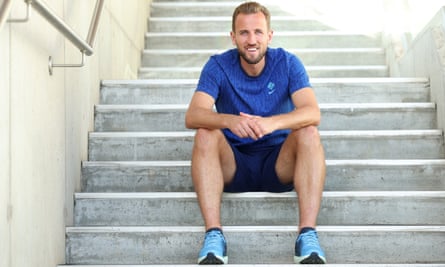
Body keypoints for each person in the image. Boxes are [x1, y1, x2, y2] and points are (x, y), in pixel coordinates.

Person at [185, 1, 326, 264]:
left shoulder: (287, 62)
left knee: (309, 133)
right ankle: (214, 236)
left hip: (278, 164)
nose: (252, 40)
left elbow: (312, 112)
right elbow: (193, 115)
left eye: (258, 32)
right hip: (234, 163)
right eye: (244, 33)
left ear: (269, 35)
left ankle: (306, 236)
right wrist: (228, 121)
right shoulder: (218, 65)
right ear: (233, 36)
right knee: (205, 133)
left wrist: (271, 123)